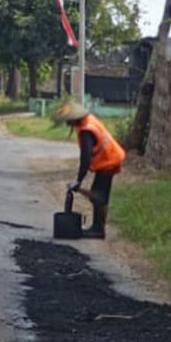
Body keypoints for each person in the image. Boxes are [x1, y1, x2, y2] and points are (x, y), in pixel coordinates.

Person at [56, 100, 125, 240]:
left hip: (109, 160)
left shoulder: (86, 130)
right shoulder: (88, 121)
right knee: (99, 195)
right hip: (109, 159)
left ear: (74, 119)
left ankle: (98, 229)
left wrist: (79, 180)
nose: (67, 124)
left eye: (68, 121)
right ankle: (97, 227)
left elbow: (85, 158)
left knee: (99, 196)